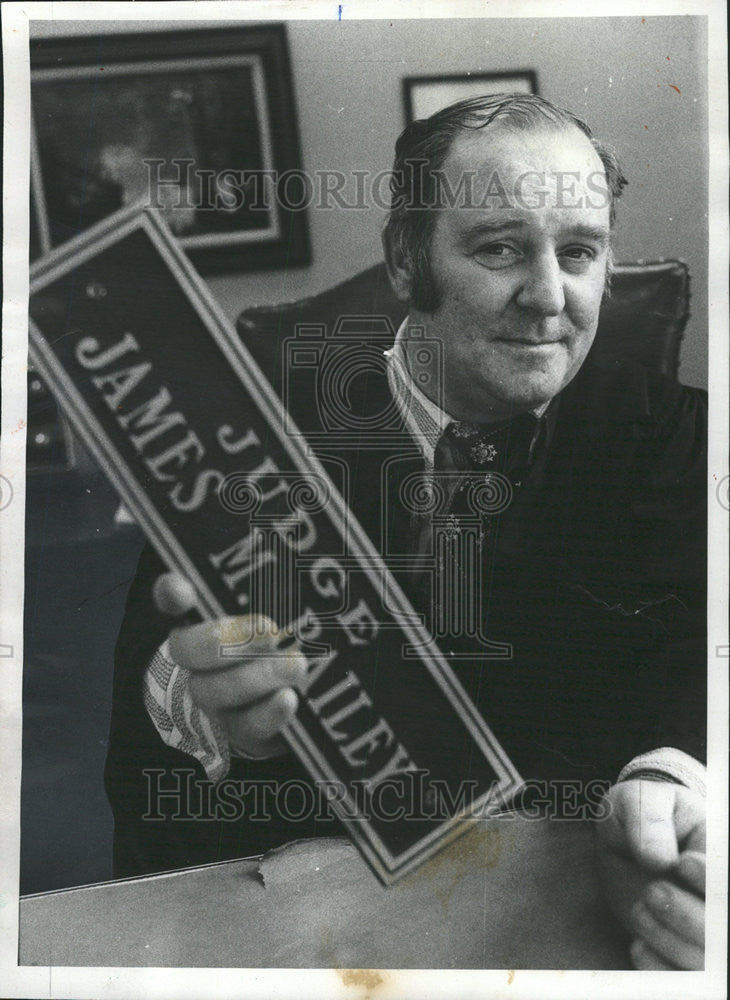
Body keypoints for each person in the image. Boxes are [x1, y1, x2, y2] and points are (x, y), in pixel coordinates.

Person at [105, 94, 706, 970]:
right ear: (403, 260)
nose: (549, 297)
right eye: (499, 247)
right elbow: (156, 695)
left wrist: (673, 781)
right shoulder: (246, 444)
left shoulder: (683, 439)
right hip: (332, 939)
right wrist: (213, 712)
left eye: (580, 251)